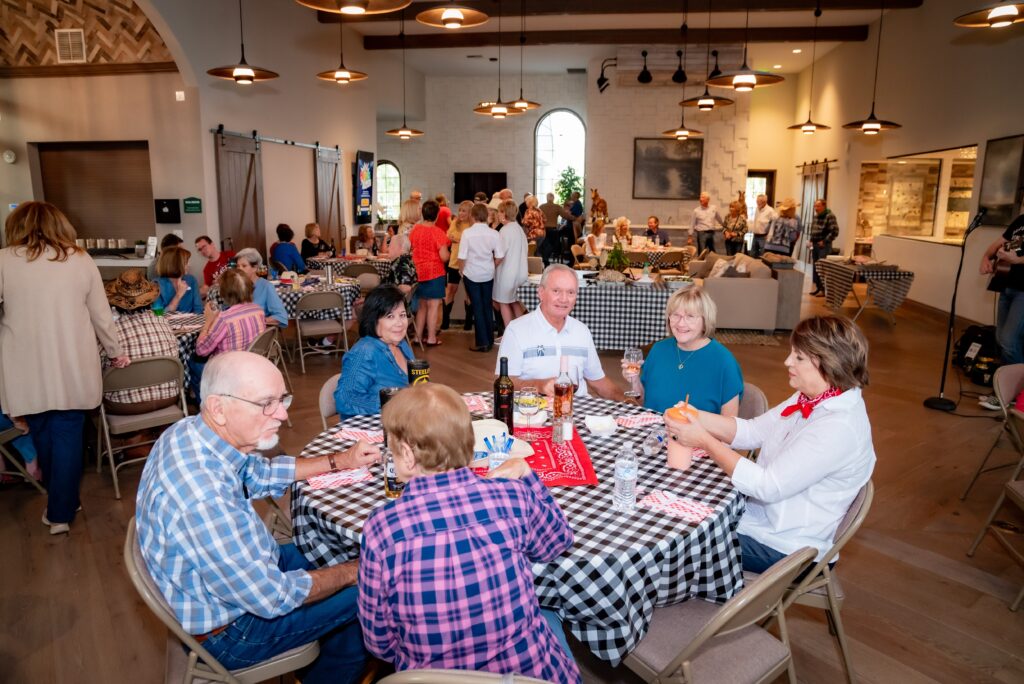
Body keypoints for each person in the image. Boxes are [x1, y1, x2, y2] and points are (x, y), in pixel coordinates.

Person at [136, 351, 379, 684]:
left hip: (244, 576)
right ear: (218, 408)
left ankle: (328, 658)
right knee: (375, 585)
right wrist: (352, 572)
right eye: (267, 403)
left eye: (282, 399)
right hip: (234, 631)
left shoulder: (192, 431)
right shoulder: (203, 496)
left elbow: (261, 473)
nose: (282, 414)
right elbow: (272, 597)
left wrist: (342, 460)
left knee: (340, 554)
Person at [358, 383, 579, 684]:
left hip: (428, 679)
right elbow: (557, 542)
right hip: (530, 676)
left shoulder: (381, 529)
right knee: (549, 615)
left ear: (407, 455)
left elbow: (379, 642)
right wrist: (526, 476)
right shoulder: (511, 497)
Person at [664, 315, 875, 572]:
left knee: (676, 542)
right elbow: (752, 431)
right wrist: (694, 414)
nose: (787, 361)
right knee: (674, 508)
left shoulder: (837, 427)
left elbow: (766, 486)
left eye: (798, 357)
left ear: (828, 364)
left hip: (787, 546)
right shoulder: (813, 396)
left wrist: (705, 441)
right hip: (760, 518)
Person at [0, 201, 128, 534]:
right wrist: (115, 352)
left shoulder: (3, 260)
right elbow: (102, 316)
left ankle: (63, 504)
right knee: (69, 433)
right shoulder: (80, 260)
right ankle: (62, 508)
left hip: (26, 368)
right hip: (72, 364)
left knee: (42, 432)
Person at [497, 264, 623, 400]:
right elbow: (503, 382)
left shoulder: (582, 331)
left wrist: (627, 401)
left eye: (570, 292)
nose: (564, 299)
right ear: (541, 293)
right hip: (533, 412)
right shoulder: (516, 330)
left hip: (577, 411)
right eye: (556, 291)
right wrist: (539, 385)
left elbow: (598, 381)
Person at [621, 286, 742, 415]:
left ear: (705, 320)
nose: (681, 324)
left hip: (696, 435)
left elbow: (729, 426)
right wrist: (635, 381)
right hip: (654, 432)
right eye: (676, 315)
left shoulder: (724, 361)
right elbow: (645, 404)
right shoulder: (659, 350)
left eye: (690, 316)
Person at [103, 269, 180, 415]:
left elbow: (100, 366)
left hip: (124, 404)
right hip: (169, 397)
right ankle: (150, 430)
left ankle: (136, 433)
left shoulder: (110, 332)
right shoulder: (162, 322)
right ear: (148, 298)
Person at [334, 286, 415, 419]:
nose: (400, 323)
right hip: (371, 430)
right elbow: (345, 399)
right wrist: (393, 404)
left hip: (402, 422)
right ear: (374, 320)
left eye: (402, 315)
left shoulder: (402, 345)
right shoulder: (364, 352)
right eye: (390, 316)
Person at [978, 209, 1024, 409]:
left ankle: (1012, 393)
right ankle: (1006, 390)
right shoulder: (1021, 221)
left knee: (1009, 340)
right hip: (1007, 285)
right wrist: (985, 258)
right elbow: (997, 244)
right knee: (1001, 338)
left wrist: (1019, 260)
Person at [458, 202, 506, 352]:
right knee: (486, 305)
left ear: (472, 216)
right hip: (488, 273)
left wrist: (461, 271)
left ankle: (482, 342)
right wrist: (492, 265)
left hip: (471, 273)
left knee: (477, 306)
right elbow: (500, 255)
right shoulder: (494, 233)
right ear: (486, 216)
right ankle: (490, 340)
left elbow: (462, 256)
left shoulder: (467, 233)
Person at [408, 200, 451, 347]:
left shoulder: (415, 230)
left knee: (421, 306)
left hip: (418, 272)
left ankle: (417, 337)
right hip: (434, 272)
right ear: (437, 215)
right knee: (433, 306)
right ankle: (431, 337)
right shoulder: (438, 233)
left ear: (422, 213)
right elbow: (444, 256)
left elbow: (410, 248)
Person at [494, 200, 528, 327]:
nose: (498, 214)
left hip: (507, 273)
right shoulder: (519, 229)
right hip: (520, 272)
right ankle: (521, 332)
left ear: (504, 213)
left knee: (504, 303)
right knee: (514, 302)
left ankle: (509, 334)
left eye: (499, 212)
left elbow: (500, 255)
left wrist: (491, 267)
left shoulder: (505, 230)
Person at [235, 247, 289, 328]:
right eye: (238, 266)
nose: (239, 269)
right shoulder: (235, 285)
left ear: (255, 268)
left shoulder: (266, 286)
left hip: (257, 334)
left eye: (244, 266)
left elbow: (281, 316)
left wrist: (257, 321)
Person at [443, 200, 474, 331]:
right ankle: (445, 321)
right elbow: (448, 236)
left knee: (469, 292)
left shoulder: (473, 225)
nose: (460, 213)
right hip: (454, 261)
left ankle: (468, 322)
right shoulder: (455, 222)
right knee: (450, 289)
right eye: (460, 210)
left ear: (470, 213)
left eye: (464, 211)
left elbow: (469, 240)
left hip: (468, 262)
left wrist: (457, 238)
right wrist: (460, 239)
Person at [153, 245, 203, 314]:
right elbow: (158, 314)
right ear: (175, 264)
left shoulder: (191, 280)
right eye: (186, 262)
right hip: (167, 324)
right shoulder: (156, 285)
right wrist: (178, 295)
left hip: (191, 323)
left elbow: (199, 309)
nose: (189, 265)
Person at [809, 198, 840, 297]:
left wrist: (825, 241)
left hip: (823, 246)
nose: (816, 208)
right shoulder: (816, 216)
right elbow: (813, 230)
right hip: (815, 245)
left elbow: (835, 231)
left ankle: (823, 290)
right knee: (816, 267)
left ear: (824, 206)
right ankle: (818, 288)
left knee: (822, 268)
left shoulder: (829, 216)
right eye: (815, 206)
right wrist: (811, 239)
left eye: (818, 206)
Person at [539, 192, 563, 265]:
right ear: (553, 199)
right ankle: (547, 259)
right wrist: (574, 217)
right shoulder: (557, 207)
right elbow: (565, 215)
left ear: (546, 198)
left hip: (544, 229)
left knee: (545, 245)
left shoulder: (541, 207)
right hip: (553, 230)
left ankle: (545, 260)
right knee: (552, 245)